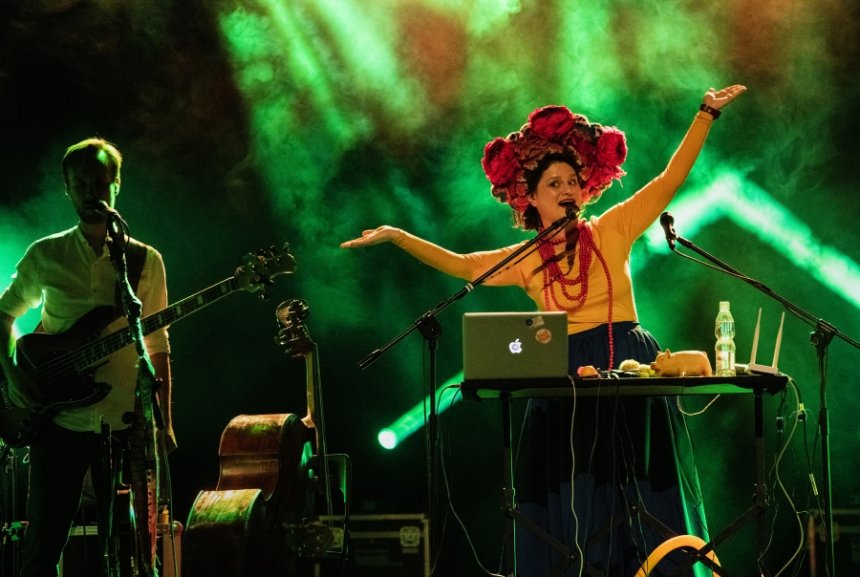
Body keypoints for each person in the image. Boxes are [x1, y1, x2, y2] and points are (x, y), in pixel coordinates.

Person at [341, 85, 747, 576]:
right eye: (553, 183)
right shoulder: (526, 258)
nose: (566, 189)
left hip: (629, 361)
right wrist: (399, 237)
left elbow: (668, 181)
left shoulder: (613, 229)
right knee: (578, 495)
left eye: (572, 180)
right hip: (563, 372)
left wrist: (705, 114)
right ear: (531, 198)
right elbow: (465, 265)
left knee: (642, 487)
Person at [0, 137, 174, 577]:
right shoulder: (47, 253)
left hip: (127, 422)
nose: (91, 191)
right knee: (43, 546)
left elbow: (157, 345)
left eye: (100, 181)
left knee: (139, 548)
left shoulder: (144, 261)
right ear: (68, 190)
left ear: (117, 184)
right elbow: (3, 315)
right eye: (81, 184)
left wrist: (165, 423)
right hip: (59, 421)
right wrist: (15, 377)